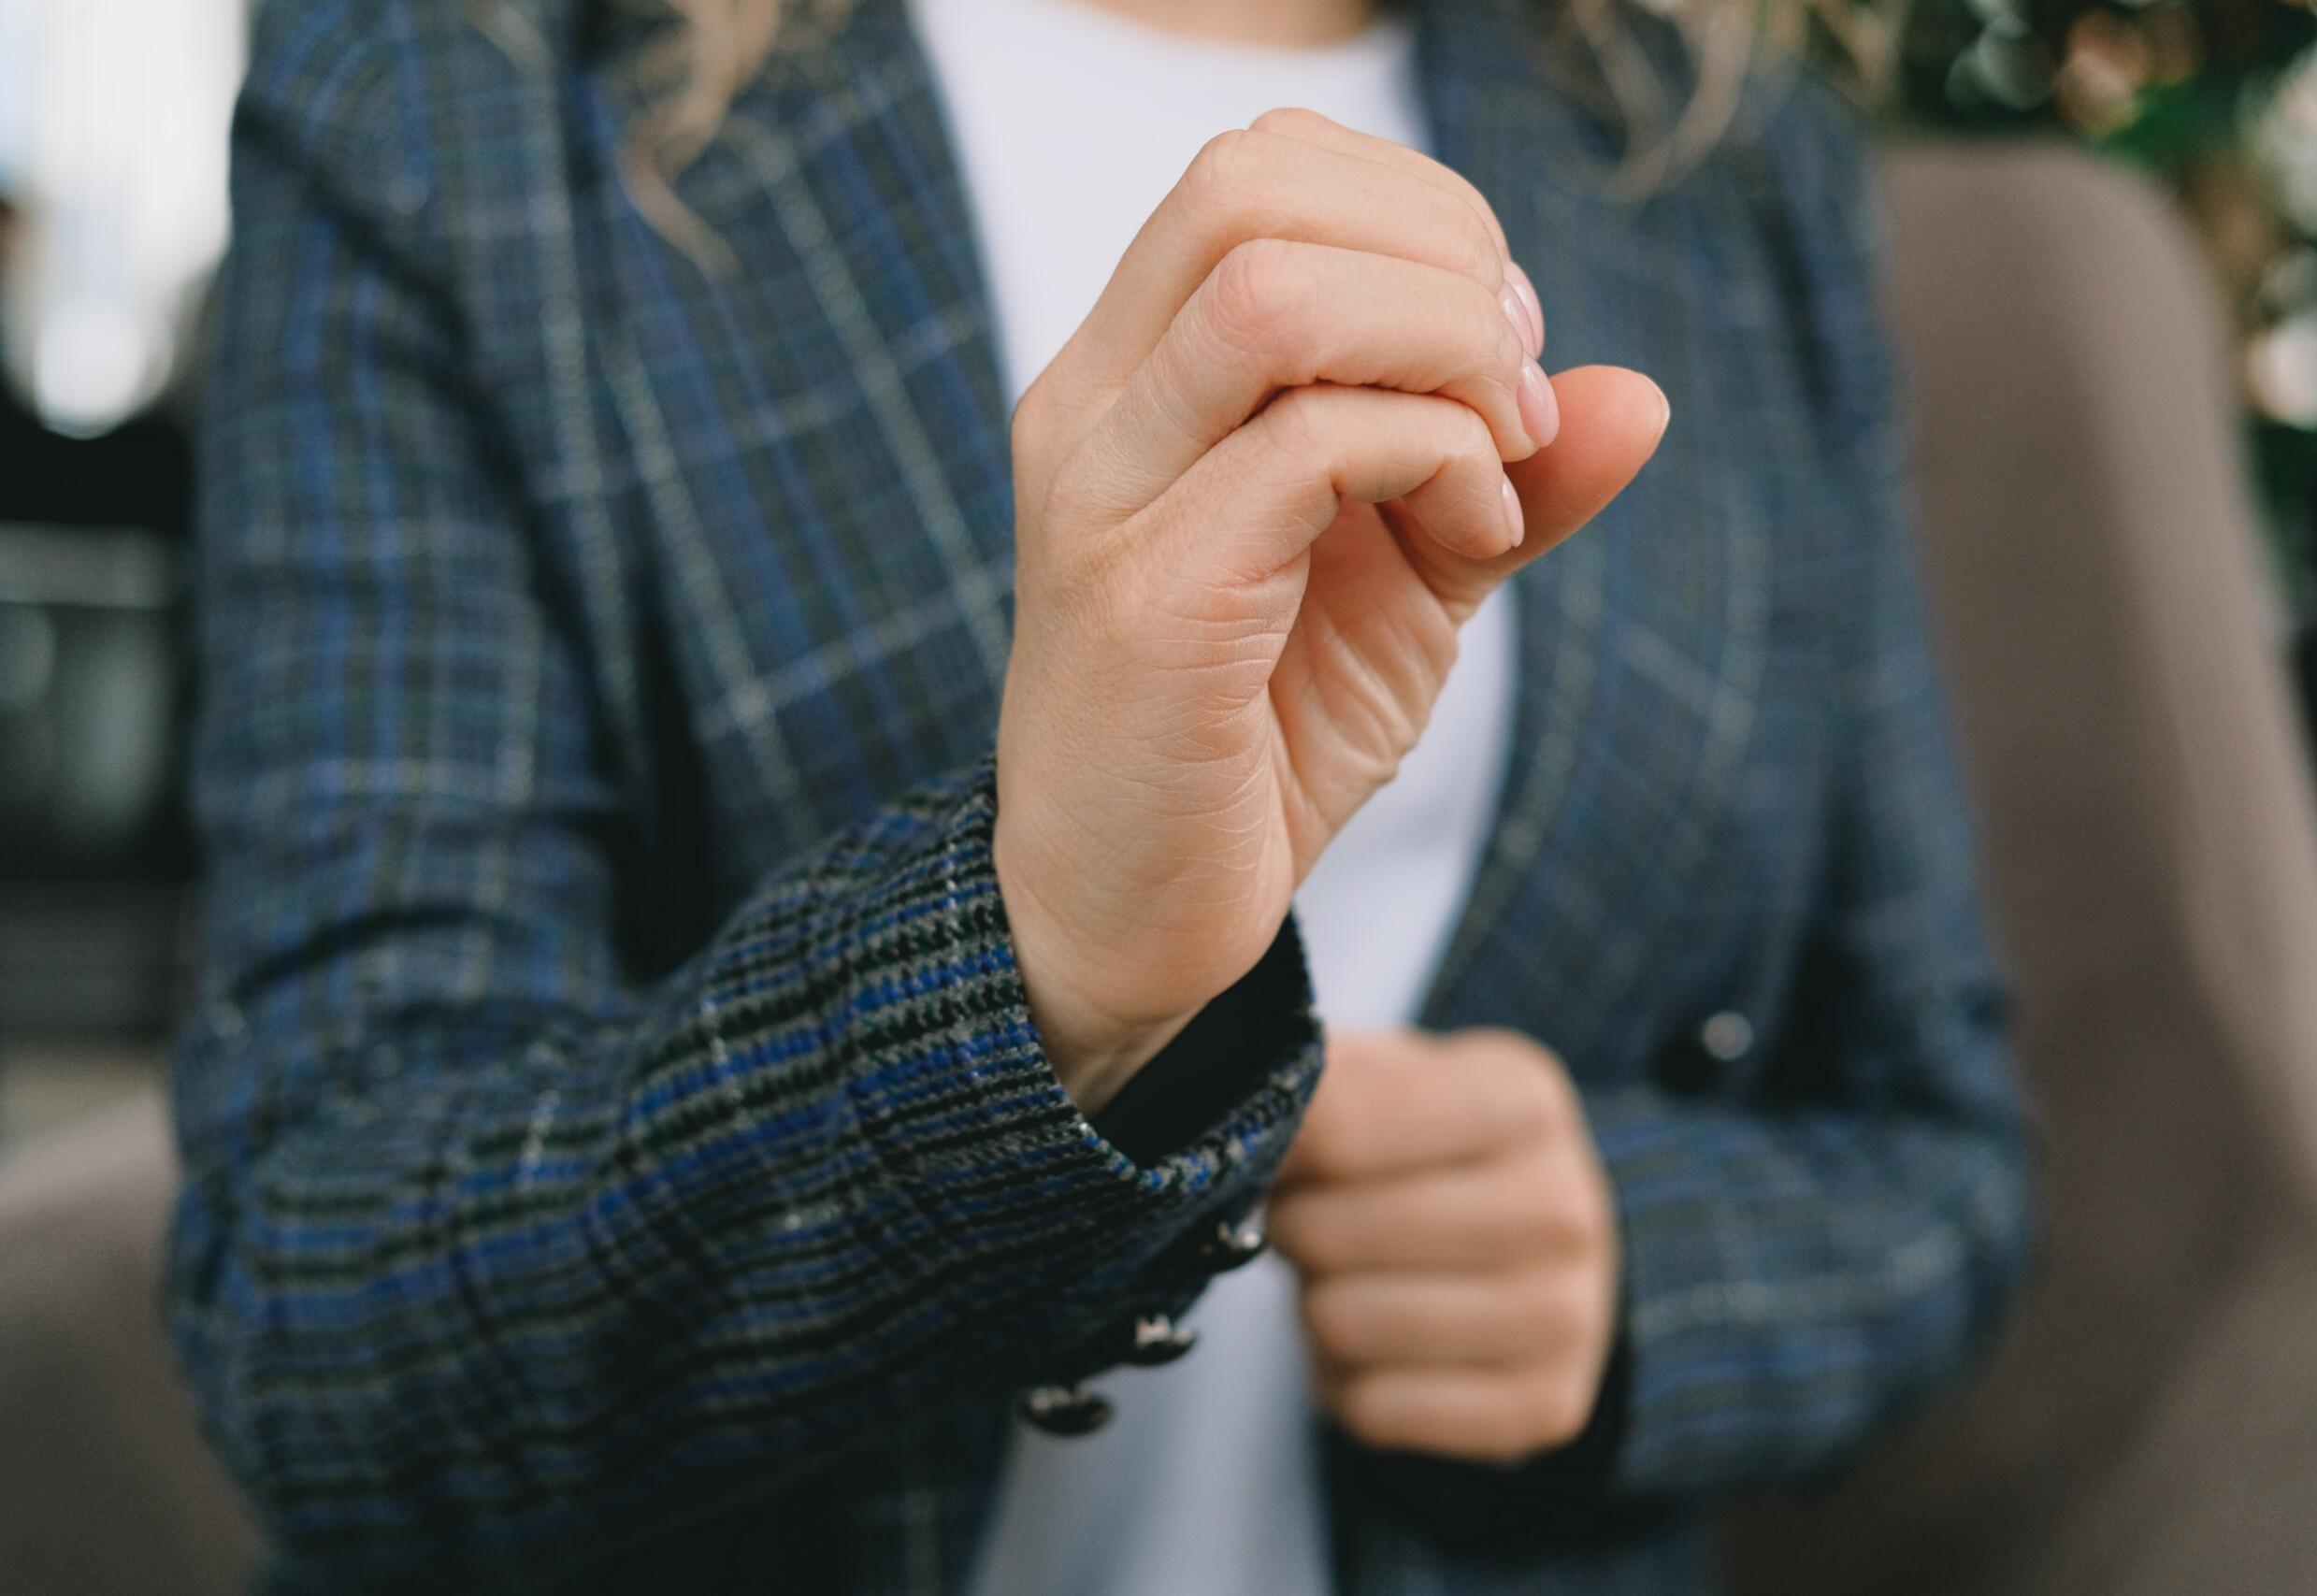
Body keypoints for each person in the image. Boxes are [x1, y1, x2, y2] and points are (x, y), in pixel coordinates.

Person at [167, 0, 2033, 1590]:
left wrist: (1630, 1270)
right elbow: (317, 1304)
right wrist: (1030, 974)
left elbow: (1935, 1153)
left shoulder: (1710, 143)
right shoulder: (468, 84)